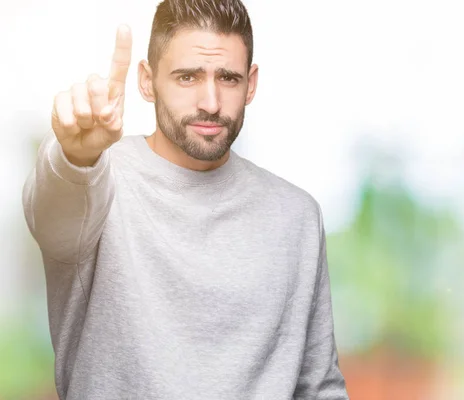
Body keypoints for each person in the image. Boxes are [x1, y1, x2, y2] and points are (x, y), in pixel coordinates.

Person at [21, 0, 349, 398]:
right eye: (188, 77)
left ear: (252, 83)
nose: (210, 103)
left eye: (228, 78)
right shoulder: (95, 181)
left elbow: (319, 388)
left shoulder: (296, 216)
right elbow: (54, 217)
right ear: (146, 80)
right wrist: (75, 156)